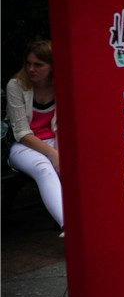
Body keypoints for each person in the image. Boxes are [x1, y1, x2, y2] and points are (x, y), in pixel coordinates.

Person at [6, 39, 64, 234]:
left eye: (38, 65)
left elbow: (62, 126)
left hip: (54, 140)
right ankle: (69, 227)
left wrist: (59, 153)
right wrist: (54, 155)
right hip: (24, 145)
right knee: (44, 169)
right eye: (28, 63)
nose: (31, 69)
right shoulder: (16, 85)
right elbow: (22, 133)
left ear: (52, 66)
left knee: (78, 164)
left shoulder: (61, 84)